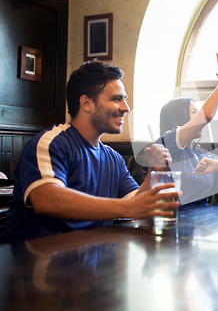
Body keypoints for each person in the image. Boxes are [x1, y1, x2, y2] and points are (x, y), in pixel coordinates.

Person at [0, 60, 180, 244]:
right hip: (32, 263)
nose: (126, 108)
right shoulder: (50, 143)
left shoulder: (113, 158)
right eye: (117, 99)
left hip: (87, 263)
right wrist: (129, 207)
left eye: (125, 99)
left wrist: (155, 171)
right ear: (86, 103)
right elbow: (46, 199)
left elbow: (135, 202)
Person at [157, 41, 218, 207]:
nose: (199, 119)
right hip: (168, 222)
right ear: (176, 121)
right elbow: (207, 115)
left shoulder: (202, 156)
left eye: (198, 112)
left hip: (199, 227)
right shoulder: (165, 144)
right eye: (193, 112)